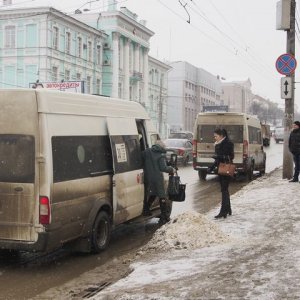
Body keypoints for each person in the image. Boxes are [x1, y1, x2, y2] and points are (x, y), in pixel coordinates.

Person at [142, 140, 176, 225]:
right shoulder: (161, 155)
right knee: (162, 196)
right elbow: (163, 168)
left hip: (147, 177)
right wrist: (172, 169)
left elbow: (140, 158)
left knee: (153, 192)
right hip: (157, 178)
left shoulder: (147, 151)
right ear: (161, 147)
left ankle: (146, 209)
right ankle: (164, 217)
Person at [209, 128, 234, 219]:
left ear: (221, 136)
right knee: (225, 190)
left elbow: (231, 156)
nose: (215, 138)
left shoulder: (228, 143)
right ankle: (228, 209)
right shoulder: (218, 144)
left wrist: (218, 156)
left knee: (224, 190)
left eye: (216, 136)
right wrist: (211, 167)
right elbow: (217, 160)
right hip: (221, 169)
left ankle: (223, 212)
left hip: (226, 169)